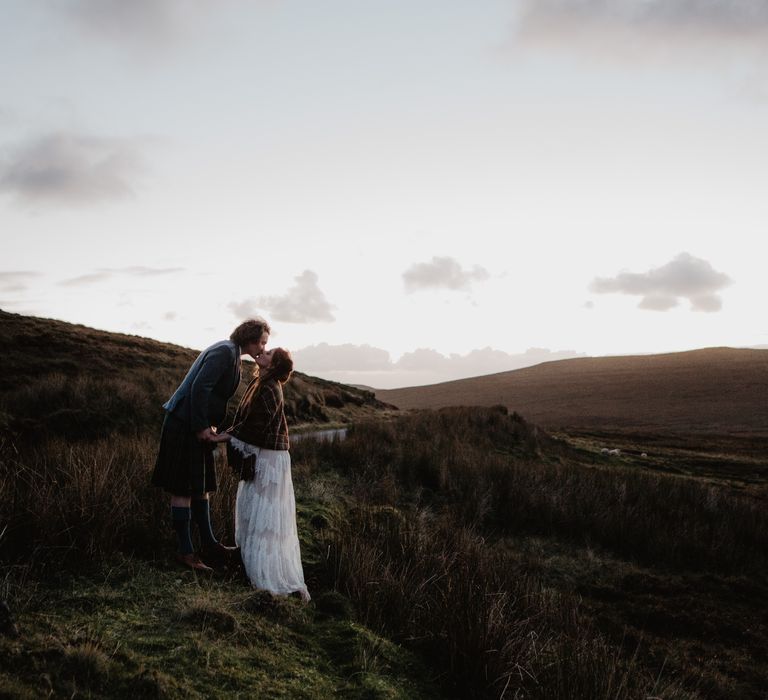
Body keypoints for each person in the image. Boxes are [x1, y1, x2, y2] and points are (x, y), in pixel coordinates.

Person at [152, 318, 271, 571]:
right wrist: (200, 427)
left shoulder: (234, 355)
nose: (263, 347)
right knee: (182, 488)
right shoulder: (224, 352)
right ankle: (186, 553)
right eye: (262, 342)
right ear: (250, 338)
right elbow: (200, 388)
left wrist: (210, 426)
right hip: (184, 424)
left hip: (197, 425)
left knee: (201, 485)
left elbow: (212, 394)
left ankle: (210, 544)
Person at [224, 348, 310, 601]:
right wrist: (227, 433)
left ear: (275, 364)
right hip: (265, 455)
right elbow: (246, 420)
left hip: (269, 459)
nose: (264, 351)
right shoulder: (260, 382)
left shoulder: (270, 387)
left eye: (270, 352)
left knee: (265, 514)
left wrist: (224, 436)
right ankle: (251, 565)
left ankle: (266, 574)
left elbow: (255, 425)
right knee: (254, 508)